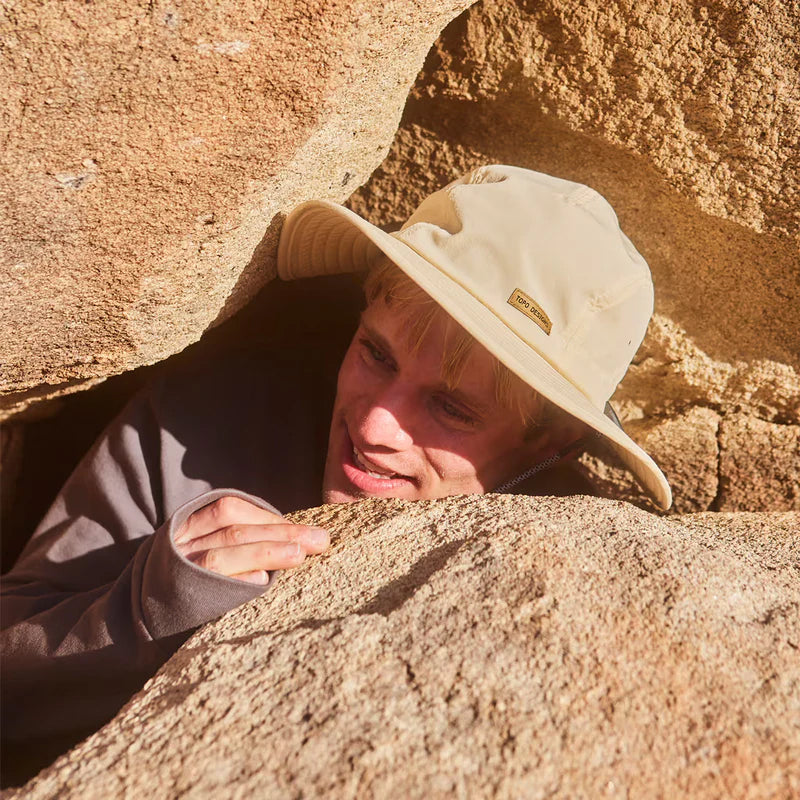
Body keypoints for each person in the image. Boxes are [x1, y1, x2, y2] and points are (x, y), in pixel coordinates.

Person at [0, 165, 671, 779]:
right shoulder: (198, 431)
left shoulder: (578, 578)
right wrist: (145, 609)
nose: (375, 427)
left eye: (450, 408)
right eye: (377, 355)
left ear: (551, 443)